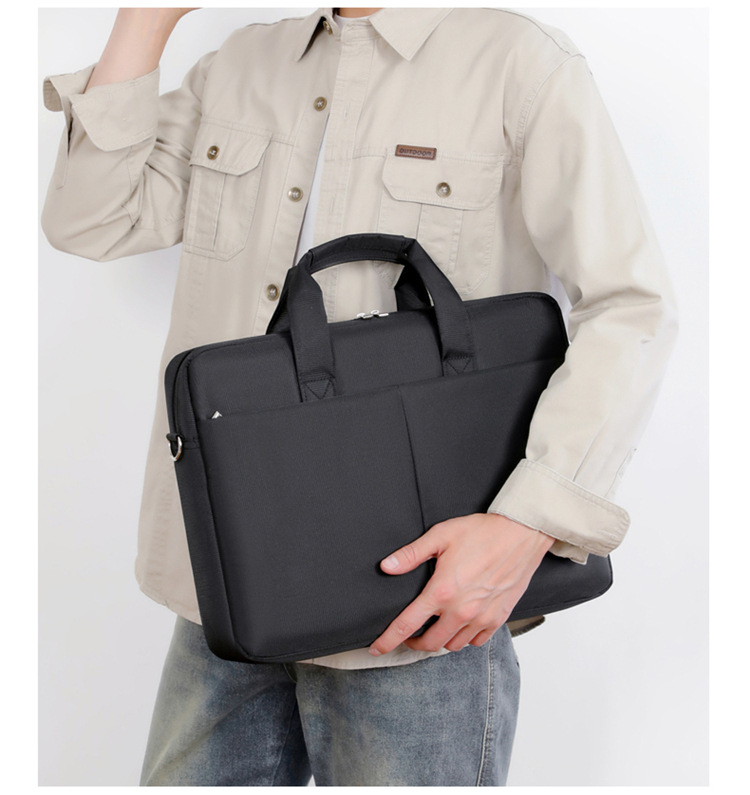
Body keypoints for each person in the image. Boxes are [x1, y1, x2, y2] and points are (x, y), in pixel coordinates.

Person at [40, 6, 678, 786]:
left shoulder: (520, 63)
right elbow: (90, 219)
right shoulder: (242, 62)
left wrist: (527, 523)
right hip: (229, 592)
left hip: (421, 608)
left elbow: (632, 304)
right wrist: (146, 19)